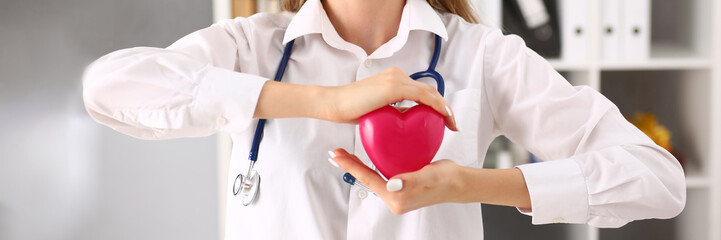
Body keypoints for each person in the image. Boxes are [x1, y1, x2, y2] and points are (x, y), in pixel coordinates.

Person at [82, 0, 686, 239]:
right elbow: (108, 89)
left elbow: (657, 179)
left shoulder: (482, 56)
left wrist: (473, 185)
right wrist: (320, 101)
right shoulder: (253, 48)